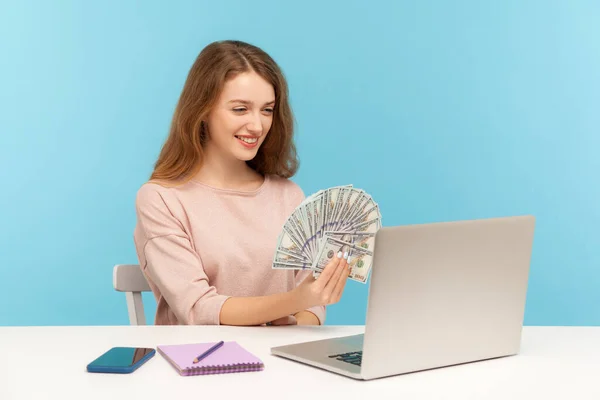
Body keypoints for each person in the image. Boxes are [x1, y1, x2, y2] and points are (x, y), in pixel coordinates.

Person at [133, 40, 350, 326]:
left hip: (280, 366)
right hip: (202, 363)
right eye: (240, 109)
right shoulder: (161, 199)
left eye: (267, 110)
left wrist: (305, 318)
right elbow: (199, 309)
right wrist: (300, 299)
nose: (257, 126)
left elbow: (310, 306)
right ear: (202, 111)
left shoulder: (289, 196)